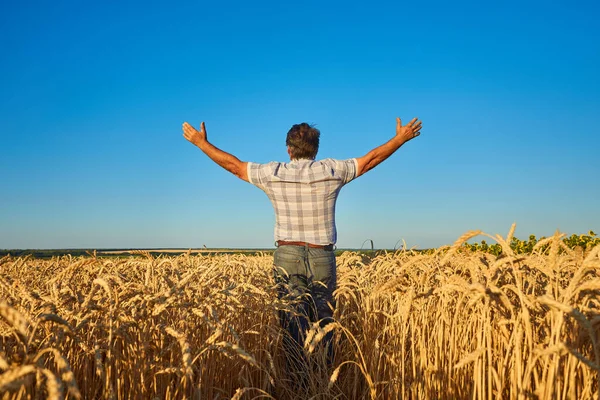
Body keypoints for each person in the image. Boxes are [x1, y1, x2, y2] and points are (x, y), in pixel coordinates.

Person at [182, 117, 422, 381]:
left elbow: (235, 167)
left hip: (287, 256)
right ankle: (324, 380)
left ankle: (297, 383)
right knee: (324, 321)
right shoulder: (332, 170)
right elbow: (370, 160)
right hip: (322, 255)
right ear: (316, 149)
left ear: (289, 149)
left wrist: (200, 143)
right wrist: (400, 138)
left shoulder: (273, 173)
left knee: (292, 321)